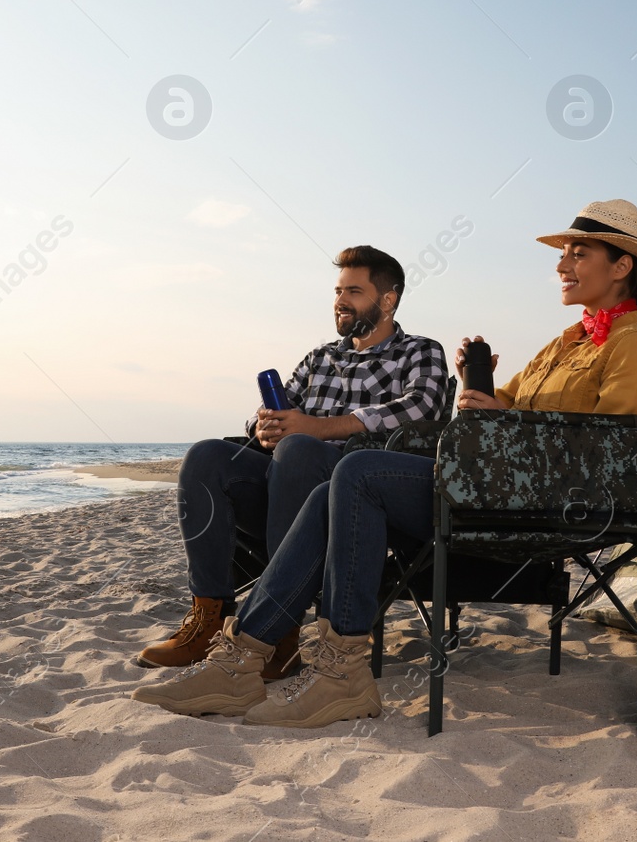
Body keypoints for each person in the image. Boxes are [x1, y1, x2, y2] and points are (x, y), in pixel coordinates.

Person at [132, 200, 637, 727]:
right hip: (493, 482)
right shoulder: (563, 342)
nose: (561, 263)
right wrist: (484, 398)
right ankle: (242, 659)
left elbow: (608, 446)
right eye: (564, 252)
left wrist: (502, 426)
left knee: (355, 471)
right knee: (329, 487)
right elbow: (508, 407)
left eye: (578, 252)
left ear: (621, 266)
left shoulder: (631, 341)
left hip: (538, 498)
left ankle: (332, 673)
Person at [135, 245, 449, 683]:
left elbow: (424, 409)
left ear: (388, 300)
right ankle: (208, 616)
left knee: (300, 448)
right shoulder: (320, 357)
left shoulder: (420, 352)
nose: (340, 300)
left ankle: (278, 632)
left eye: (354, 291)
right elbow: (267, 415)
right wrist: (264, 427)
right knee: (207, 454)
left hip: (351, 497)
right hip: (282, 487)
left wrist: (319, 429)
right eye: (338, 290)